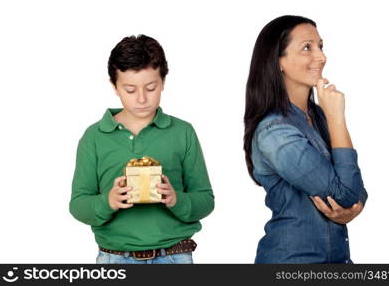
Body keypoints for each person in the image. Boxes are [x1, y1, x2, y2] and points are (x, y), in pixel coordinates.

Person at [70, 35, 214, 264]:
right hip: (114, 258)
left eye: (151, 87)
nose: (141, 99)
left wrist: (176, 199)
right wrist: (108, 201)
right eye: (129, 89)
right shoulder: (94, 137)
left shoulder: (183, 132)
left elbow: (206, 200)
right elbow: (78, 205)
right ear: (114, 86)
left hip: (174, 256)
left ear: (163, 82)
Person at [243, 15, 368, 264]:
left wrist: (352, 210)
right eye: (307, 47)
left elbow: (355, 191)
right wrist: (337, 119)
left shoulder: (317, 115)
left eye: (320, 46)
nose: (321, 57)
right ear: (278, 61)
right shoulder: (274, 131)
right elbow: (346, 194)